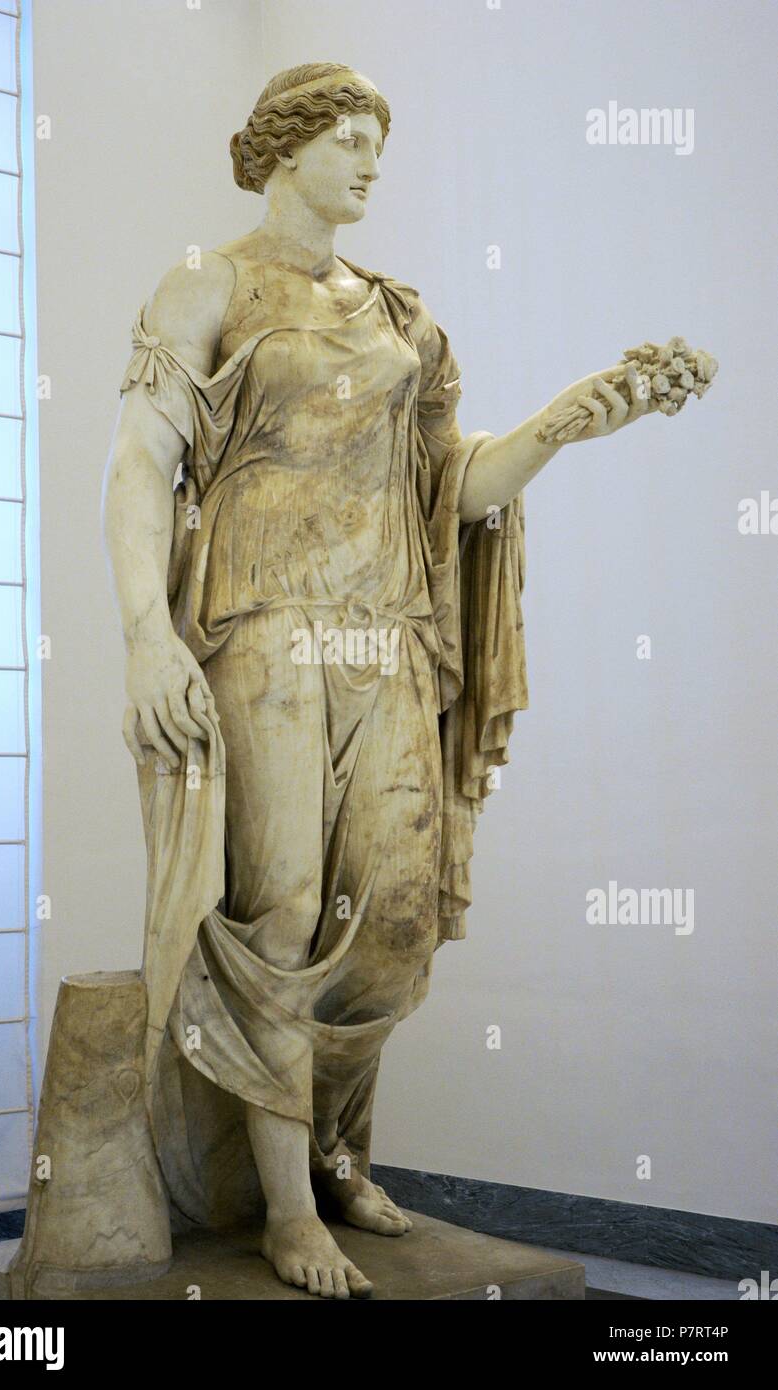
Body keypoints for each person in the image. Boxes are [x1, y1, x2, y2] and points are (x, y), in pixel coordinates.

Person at [103, 62, 653, 1300]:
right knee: (285, 912)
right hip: (262, 624)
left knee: (393, 925)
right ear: (287, 150)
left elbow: (453, 488)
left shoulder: (404, 317)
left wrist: (562, 425)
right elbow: (138, 468)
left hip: (389, 631)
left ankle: (340, 1145)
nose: (366, 164)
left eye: (375, 147)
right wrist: (148, 632)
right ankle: (289, 1207)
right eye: (346, 141)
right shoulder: (211, 283)